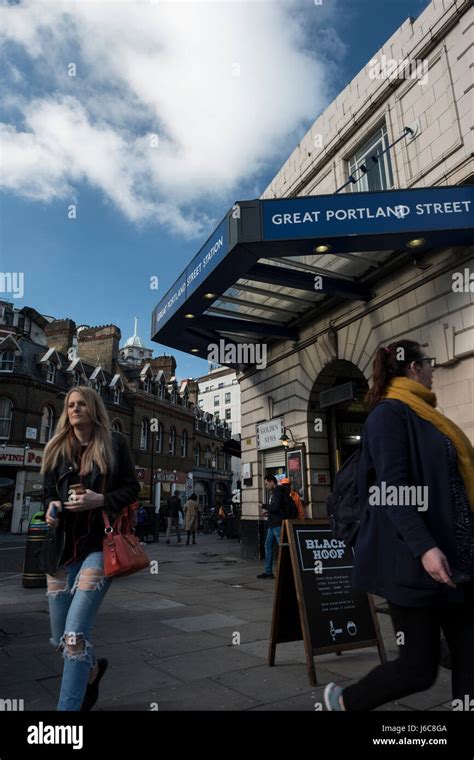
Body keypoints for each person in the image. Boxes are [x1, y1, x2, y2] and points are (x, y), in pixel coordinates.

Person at [324, 340, 474, 711]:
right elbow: (394, 490)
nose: (433, 369)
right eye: (429, 363)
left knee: (471, 658)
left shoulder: (427, 415)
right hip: (414, 564)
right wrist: (425, 548)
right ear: (413, 368)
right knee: (418, 670)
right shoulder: (388, 415)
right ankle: (345, 702)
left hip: (458, 559)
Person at [41, 387, 140, 711]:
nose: (75, 408)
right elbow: (46, 492)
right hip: (61, 552)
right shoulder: (57, 447)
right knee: (62, 640)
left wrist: (100, 500)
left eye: (81, 403)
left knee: (73, 635)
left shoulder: (114, 443)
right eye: (70, 404)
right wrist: (52, 505)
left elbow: (131, 488)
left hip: (99, 547)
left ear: (93, 408)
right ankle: (93, 669)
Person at [257, 475, 285, 579]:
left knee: (282, 546)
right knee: (267, 546)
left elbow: (276, 507)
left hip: (277, 524)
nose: (266, 486)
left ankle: (291, 570)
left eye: (266, 483)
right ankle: (268, 571)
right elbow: (275, 508)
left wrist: (264, 506)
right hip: (272, 523)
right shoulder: (273, 493)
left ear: (272, 482)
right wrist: (268, 513)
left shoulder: (277, 492)